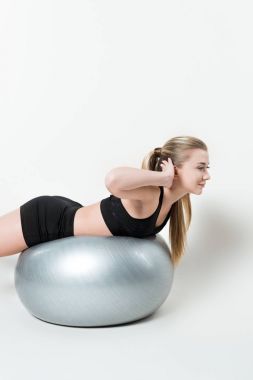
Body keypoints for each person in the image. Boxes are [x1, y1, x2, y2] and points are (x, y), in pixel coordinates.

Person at [0, 135, 210, 265]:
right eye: (200, 167)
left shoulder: (171, 204)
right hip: (50, 221)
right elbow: (113, 180)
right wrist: (163, 178)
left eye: (207, 168)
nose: (207, 175)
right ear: (175, 168)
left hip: (71, 214)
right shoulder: (153, 194)